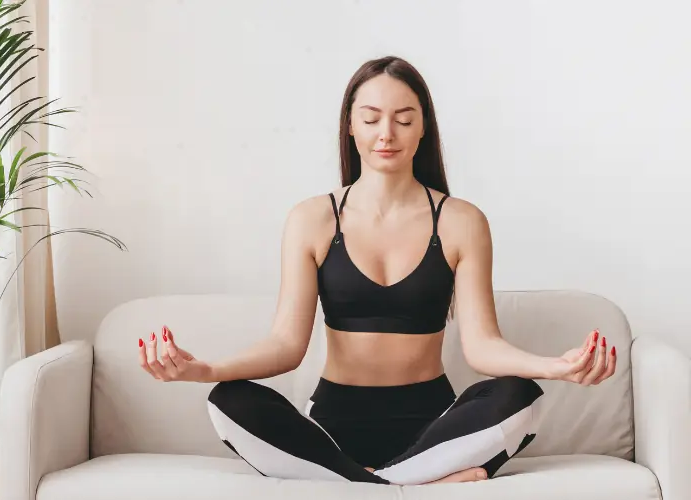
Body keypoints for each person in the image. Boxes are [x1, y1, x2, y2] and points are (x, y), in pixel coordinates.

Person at [137, 55, 616, 486]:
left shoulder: (461, 221)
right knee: (228, 400)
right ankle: (408, 484)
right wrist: (206, 369)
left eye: (403, 120)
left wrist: (555, 367)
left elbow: (482, 347)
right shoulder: (312, 219)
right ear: (351, 125)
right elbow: (286, 346)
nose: (386, 133)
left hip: (432, 427)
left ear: (423, 128)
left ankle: (360, 485)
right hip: (332, 426)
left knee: (520, 396)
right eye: (371, 119)